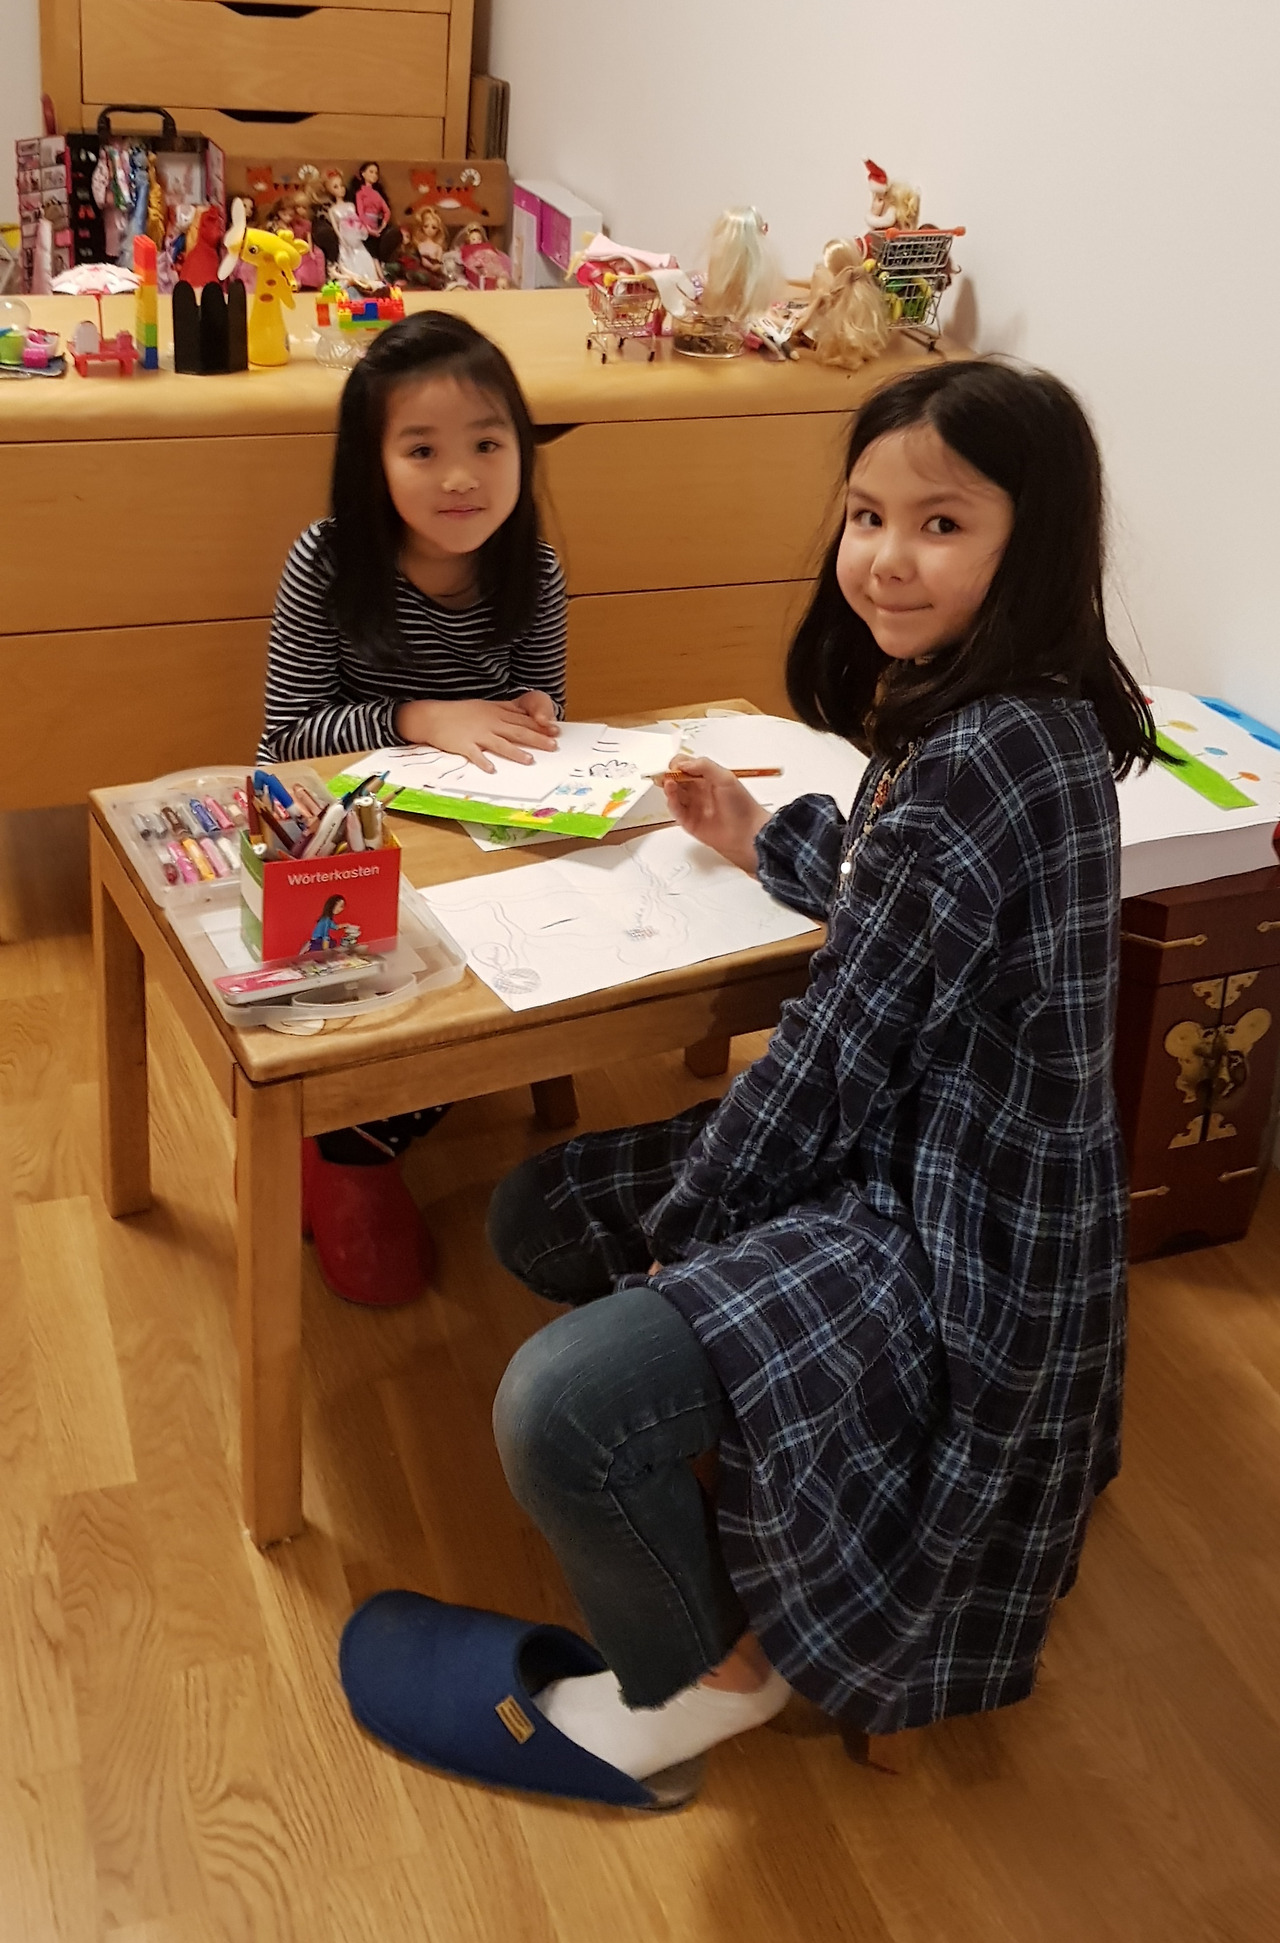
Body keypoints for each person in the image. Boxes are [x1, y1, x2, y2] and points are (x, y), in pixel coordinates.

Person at [339, 359, 1161, 1809]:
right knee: (538, 1213)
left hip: (953, 1230)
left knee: (560, 1408)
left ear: (1032, 542)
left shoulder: (988, 752)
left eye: (941, 523)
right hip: (924, 1160)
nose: (885, 557)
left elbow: (832, 1059)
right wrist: (757, 834)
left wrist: (697, 1230)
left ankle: (699, 1685)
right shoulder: (1009, 717)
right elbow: (900, 898)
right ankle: (742, 1441)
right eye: (865, 514)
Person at [259, 312, 567, 1306]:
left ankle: (357, 1130)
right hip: (344, 841)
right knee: (390, 973)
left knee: (532, 952)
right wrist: (420, 716)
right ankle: (346, 1141)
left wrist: (536, 711)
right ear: (372, 460)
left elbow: (540, 710)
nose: (460, 478)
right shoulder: (328, 561)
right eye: (422, 450)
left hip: (476, 833)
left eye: (487, 444)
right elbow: (286, 739)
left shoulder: (533, 568)